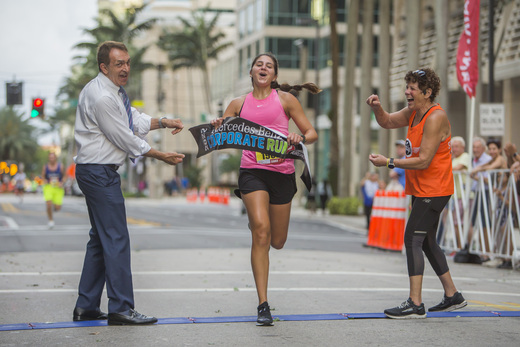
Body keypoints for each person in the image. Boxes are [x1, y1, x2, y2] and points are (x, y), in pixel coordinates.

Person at [73, 41, 185, 325]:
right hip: (98, 172)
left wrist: (164, 121)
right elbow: (124, 136)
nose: (125, 68)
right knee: (116, 238)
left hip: (96, 170)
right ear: (104, 67)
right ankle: (122, 307)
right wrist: (161, 155)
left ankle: (86, 305)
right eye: (118, 64)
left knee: (100, 239)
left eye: (127, 62)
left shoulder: (112, 92)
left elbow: (133, 117)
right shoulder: (101, 97)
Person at [211, 52, 319, 326]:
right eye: (259, 64)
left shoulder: (285, 100)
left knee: (277, 241)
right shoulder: (238, 104)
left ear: (274, 76)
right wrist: (217, 126)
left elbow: (312, 134)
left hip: (282, 175)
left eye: (269, 66)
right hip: (252, 173)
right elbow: (222, 133)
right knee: (261, 231)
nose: (263, 68)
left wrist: (298, 136)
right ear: (251, 72)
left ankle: (260, 224)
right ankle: (263, 304)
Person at [366, 68, 467, 319]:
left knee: (412, 238)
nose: (407, 92)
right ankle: (452, 295)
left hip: (435, 189)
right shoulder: (413, 112)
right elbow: (387, 121)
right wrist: (377, 107)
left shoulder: (435, 117)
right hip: (422, 189)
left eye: (412, 88)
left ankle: (415, 302)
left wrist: (389, 162)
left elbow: (423, 161)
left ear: (427, 92)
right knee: (428, 242)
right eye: (407, 86)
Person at [41, 152, 65, 228]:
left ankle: (55, 207)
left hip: (58, 188)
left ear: (55, 158)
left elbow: (65, 176)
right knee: (48, 204)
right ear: (49, 158)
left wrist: (62, 182)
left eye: (53, 157)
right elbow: (43, 176)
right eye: (50, 157)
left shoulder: (60, 166)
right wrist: (44, 180)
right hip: (49, 187)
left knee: (57, 208)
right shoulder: (45, 167)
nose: (51, 159)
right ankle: (50, 220)